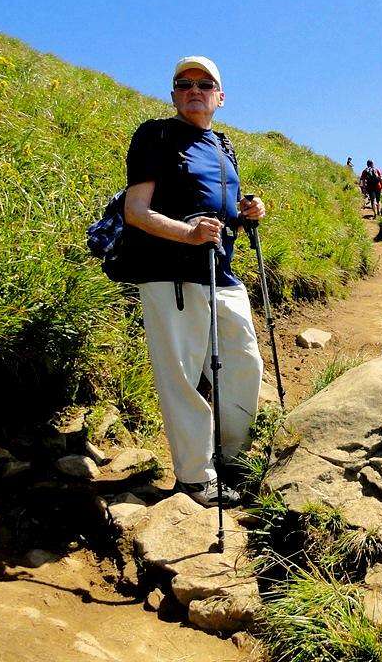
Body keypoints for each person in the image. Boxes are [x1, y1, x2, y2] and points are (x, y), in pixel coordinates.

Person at [123, 55, 266, 507]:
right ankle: (194, 477)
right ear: (173, 95)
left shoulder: (224, 146)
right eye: (183, 83)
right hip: (170, 275)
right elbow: (136, 211)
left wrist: (246, 214)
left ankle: (232, 459)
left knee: (244, 364)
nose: (194, 89)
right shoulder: (154, 136)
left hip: (220, 271)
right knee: (182, 377)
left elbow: (219, 214)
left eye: (205, 84)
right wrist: (186, 232)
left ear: (220, 98)